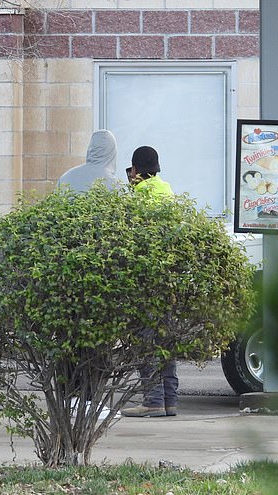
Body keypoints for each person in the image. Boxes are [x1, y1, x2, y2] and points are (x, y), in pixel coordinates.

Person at [57, 129, 120, 420]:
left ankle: (68, 399)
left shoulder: (66, 178)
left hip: (67, 274)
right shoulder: (114, 185)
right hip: (100, 278)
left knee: (68, 338)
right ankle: (93, 402)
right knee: (98, 342)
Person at [121, 146, 178, 418]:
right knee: (165, 340)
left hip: (146, 279)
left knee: (146, 339)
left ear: (135, 171)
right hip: (168, 279)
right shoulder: (167, 191)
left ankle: (152, 401)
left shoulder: (138, 197)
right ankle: (170, 400)